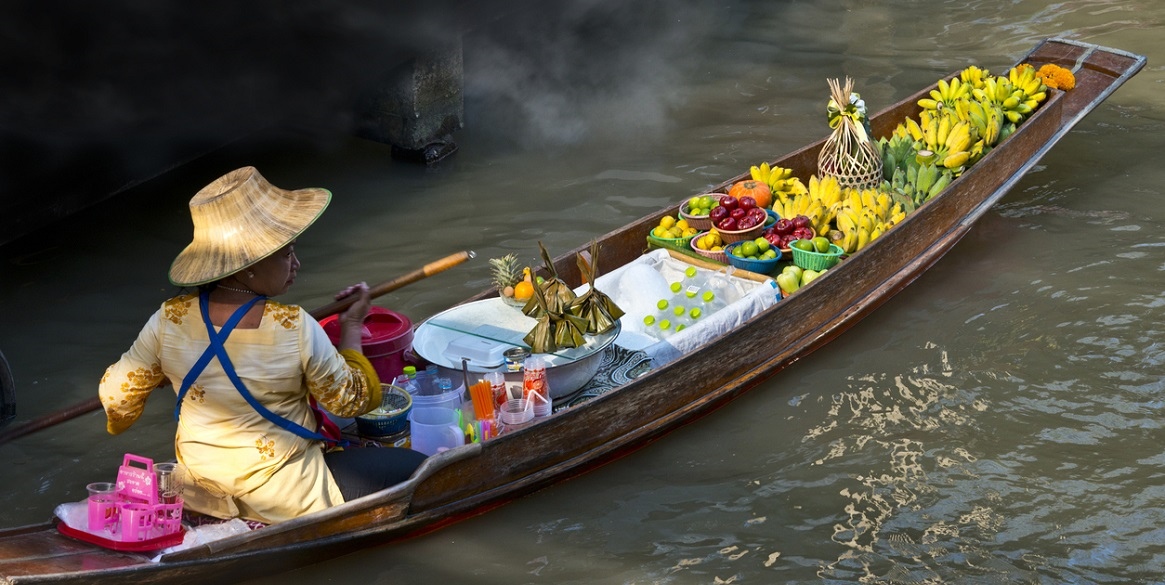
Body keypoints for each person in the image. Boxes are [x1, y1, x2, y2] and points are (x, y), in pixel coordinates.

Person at [98, 166, 427, 524]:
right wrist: (351, 325)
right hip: (282, 497)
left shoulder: (168, 320)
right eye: (286, 254)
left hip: (202, 489)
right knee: (422, 467)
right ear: (247, 268)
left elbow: (117, 397)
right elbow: (353, 401)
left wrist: (163, 373)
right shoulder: (293, 326)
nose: (297, 264)